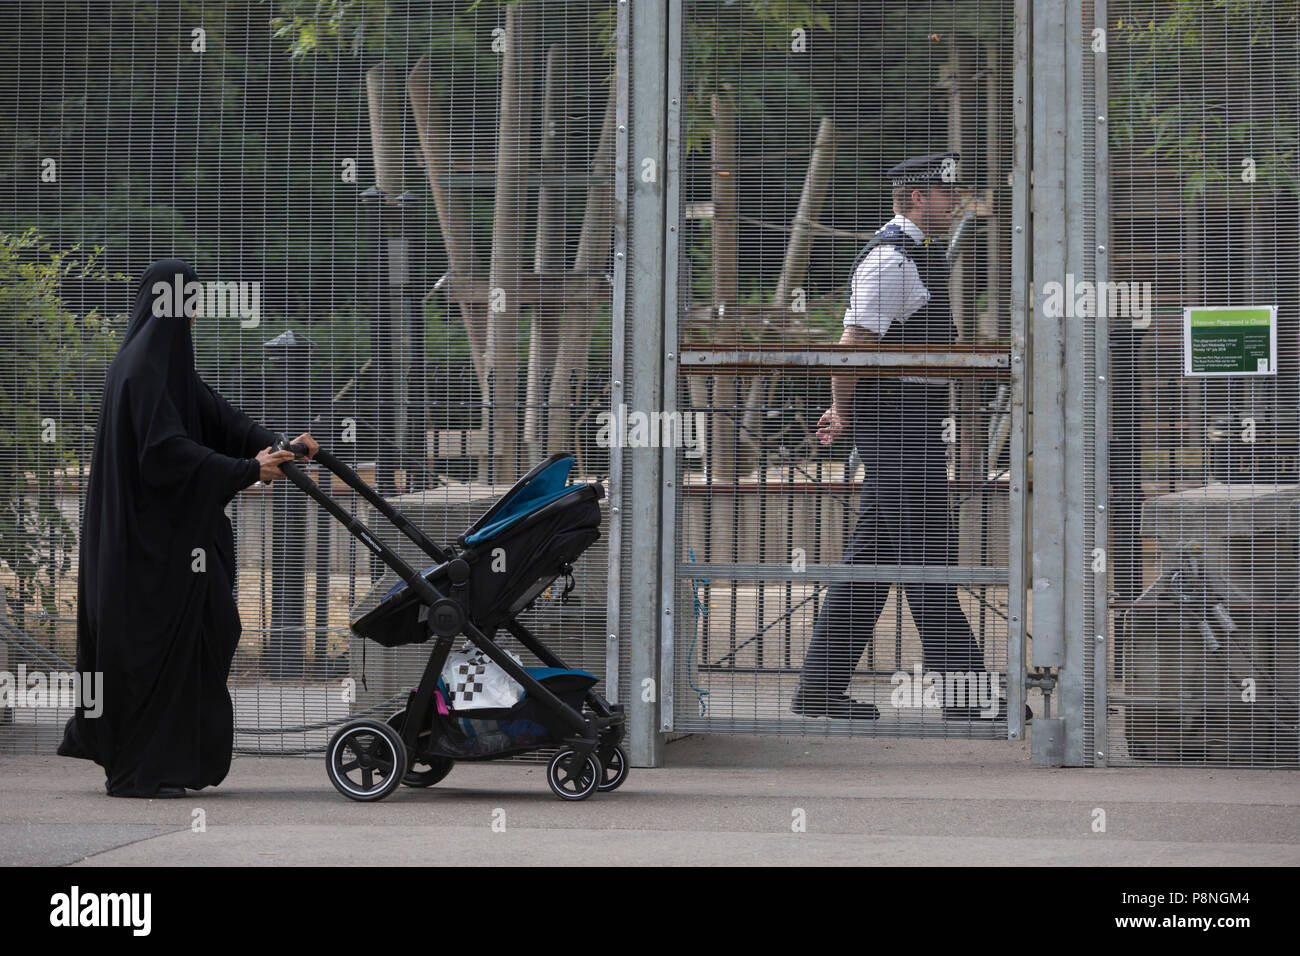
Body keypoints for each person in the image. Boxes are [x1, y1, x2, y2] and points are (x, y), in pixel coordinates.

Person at [58, 259, 320, 797]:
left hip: (176, 551)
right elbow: (165, 454)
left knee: (212, 629)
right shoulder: (140, 371)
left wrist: (281, 444)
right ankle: (138, 771)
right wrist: (248, 471)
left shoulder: (168, 370)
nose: (195, 318)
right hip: (145, 555)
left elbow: (224, 422)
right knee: (150, 654)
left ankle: (173, 764)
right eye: (190, 306)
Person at [792, 153, 1023, 722]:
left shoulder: (916, 255)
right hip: (894, 417)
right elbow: (853, 344)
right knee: (926, 549)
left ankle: (819, 688)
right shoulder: (890, 262)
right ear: (918, 198)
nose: (955, 203)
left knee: (875, 555)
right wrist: (841, 412)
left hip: (909, 415)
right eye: (947, 195)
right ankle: (969, 699)